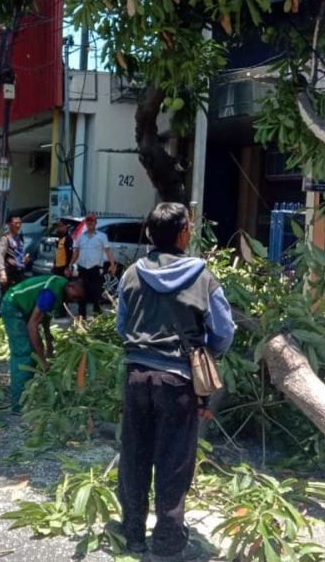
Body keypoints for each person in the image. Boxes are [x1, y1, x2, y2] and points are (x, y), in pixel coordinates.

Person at [114, 202, 235, 561]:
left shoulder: (131, 274)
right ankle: (167, 543)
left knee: (134, 458)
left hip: (136, 378)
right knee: (173, 463)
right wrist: (204, 352)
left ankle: (133, 534)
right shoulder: (202, 276)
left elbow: (122, 325)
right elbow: (224, 332)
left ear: (151, 234)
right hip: (178, 381)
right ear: (184, 233)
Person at [0, 275, 85, 411]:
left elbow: (44, 318)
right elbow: (32, 326)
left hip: (24, 309)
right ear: (70, 286)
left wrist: (49, 343)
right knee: (24, 354)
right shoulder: (51, 293)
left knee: (33, 351)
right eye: (75, 297)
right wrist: (43, 360)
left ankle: (27, 397)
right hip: (13, 306)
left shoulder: (60, 291)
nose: (74, 301)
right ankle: (18, 405)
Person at [70, 213, 115, 318]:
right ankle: (82, 316)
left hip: (95, 269)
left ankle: (96, 316)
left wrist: (112, 264)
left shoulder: (101, 236)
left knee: (96, 293)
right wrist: (70, 264)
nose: (90, 223)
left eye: (92, 222)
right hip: (83, 269)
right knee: (82, 293)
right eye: (88, 221)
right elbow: (76, 252)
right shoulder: (80, 237)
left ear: (95, 223)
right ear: (86, 223)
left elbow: (108, 251)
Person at [0, 214, 29, 296]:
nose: (18, 225)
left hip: (19, 271)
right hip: (9, 271)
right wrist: (2, 273)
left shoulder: (20, 237)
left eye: (20, 223)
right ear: (9, 224)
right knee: (6, 296)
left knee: (18, 295)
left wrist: (25, 259)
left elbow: (20, 252)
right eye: (15, 223)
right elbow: (1, 255)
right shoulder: (5, 238)